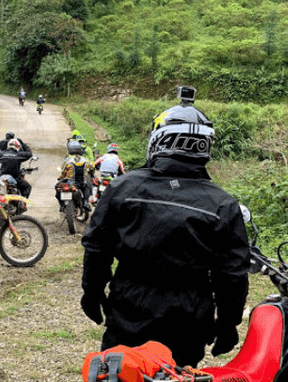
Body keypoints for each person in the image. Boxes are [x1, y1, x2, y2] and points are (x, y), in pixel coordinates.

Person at [80, 101, 250, 367]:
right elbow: (232, 276)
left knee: (119, 370)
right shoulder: (223, 204)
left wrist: (92, 293)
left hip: (129, 308)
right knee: (179, 372)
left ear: (159, 140)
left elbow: (97, 248)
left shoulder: (123, 189)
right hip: (189, 318)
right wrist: (228, 325)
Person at [57, 139, 94, 212]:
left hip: (71, 183)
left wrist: (60, 177)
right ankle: (86, 202)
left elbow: (62, 172)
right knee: (87, 187)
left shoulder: (68, 160)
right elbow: (92, 167)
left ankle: (62, 205)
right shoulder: (85, 160)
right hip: (82, 183)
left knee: (57, 188)